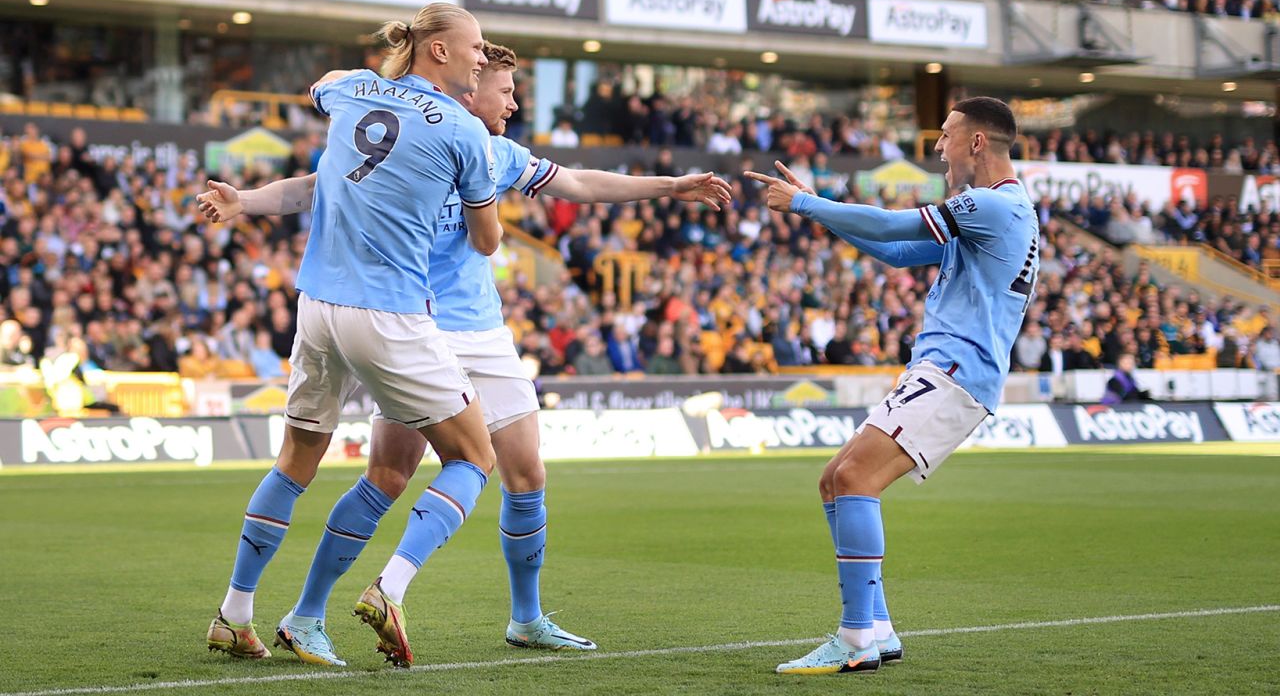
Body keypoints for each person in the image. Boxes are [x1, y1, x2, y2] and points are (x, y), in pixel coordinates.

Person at [198, 40, 730, 666]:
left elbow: (579, 181)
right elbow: (458, 230)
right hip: (415, 328)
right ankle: (313, 611)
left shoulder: (492, 151)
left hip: (474, 331)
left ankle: (525, 618)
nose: (512, 100)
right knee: (394, 476)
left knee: (526, 472)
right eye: (501, 88)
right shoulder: (443, 138)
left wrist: (669, 185)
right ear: (467, 89)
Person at [201, 3, 501, 668]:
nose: (482, 57)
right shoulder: (462, 128)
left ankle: (235, 614)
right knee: (474, 458)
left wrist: (245, 200)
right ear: (440, 53)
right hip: (389, 314)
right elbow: (486, 240)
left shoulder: (346, 86)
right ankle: (389, 587)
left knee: (295, 461)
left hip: (317, 306)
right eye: (474, 46)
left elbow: (323, 153)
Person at [746, 96, 1037, 675]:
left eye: (947, 134)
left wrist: (808, 202)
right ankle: (877, 628)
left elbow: (894, 224)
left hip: (958, 371)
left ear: (977, 142)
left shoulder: (993, 206)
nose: (938, 146)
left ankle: (855, 640)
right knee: (835, 480)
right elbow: (901, 251)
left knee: (856, 478)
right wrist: (816, 212)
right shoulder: (988, 210)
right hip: (941, 369)